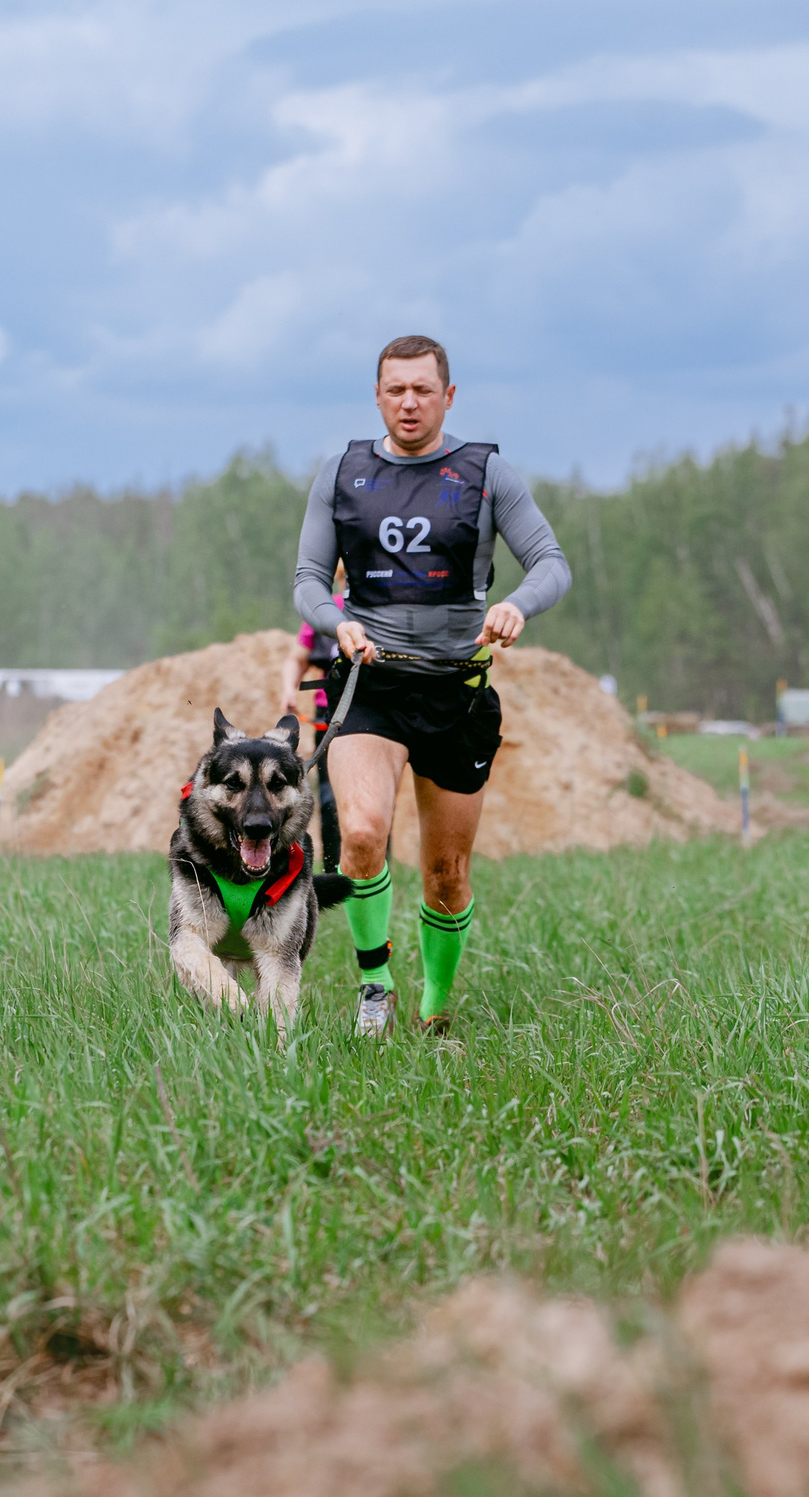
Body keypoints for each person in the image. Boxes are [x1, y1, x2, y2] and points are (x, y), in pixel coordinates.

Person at [291, 334, 572, 1036]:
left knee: (446, 873)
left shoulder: (486, 474)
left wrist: (517, 605)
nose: (408, 402)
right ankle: (376, 986)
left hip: (456, 689)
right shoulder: (341, 473)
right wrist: (336, 622)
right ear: (378, 396)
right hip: (370, 682)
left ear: (448, 396)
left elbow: (551, 562)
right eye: (395, 389)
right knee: (359, 832)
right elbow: (306, 582)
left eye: (423, 389)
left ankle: (435, 1010)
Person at [277, 568, 347, 873]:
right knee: (331, 798)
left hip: (378, 714)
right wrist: (289, 689)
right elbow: (298, 657)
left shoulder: (384, 611)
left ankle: (372, 875)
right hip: (330, 718)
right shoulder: (323, 613)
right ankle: (333, 871)